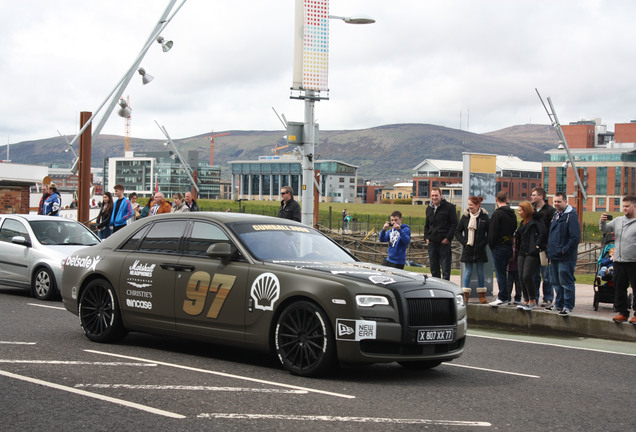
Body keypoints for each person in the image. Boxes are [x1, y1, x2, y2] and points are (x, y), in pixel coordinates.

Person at [600, 195, 636, 324]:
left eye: (627, 206)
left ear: (634, 207)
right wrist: (603, 222)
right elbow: (604, 230)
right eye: (623, 206)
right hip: (619, 261)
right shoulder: (618, 221)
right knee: (619, 287)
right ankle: (622, 312)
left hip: (633, 262)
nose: (624, 209)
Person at [546, 192, 581, 316]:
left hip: (565, 257)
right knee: (555, 282)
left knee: (566, 282)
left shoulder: (570, 216)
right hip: (554, 255)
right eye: (555, 201)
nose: (556, 204)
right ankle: (558, 304)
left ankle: (568, 306)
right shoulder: (556, 215)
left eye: (559, 201)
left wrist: (564, 250)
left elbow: (575, 237)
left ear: (565, 201)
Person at [455, 196, 489, 303]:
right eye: (468, 204)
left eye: (471, 205)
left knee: (480, 272)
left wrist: (483, 243)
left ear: (478, 205)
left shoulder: (484, 217)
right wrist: (465, 242)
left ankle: (482, 295)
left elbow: (489, 233)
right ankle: (465, 295)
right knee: (468, 271)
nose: (469, 207)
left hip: (480, 249)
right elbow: (457, 232)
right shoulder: (465, 217)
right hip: (468, 248)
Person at [513, 201, 547, 311]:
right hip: (522, 251)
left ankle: (532, 300)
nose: (519, 213)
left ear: (526, 210)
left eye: (520, 210)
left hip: (532, 252)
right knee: (521, 277)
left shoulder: (536, 220)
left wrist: (537, 245)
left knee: (527, 276)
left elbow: (542, 233)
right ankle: (526, 300)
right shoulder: (523, 222)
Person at [488, 191, 517, 306]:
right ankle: (506, 296)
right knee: (505, 272)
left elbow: (493, 232)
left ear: (496, 200)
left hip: (498, 246)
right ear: (507, 199)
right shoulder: (512, 214)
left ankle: (503, 297)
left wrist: (491, 244)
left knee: (500, 273)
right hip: (508, 245)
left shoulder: (497, 214)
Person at [424, 187, 458, 280]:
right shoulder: (429, 208)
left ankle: (446, 289)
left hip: (444, 242)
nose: (434, 197)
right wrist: (426, 237)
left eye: (436, 195)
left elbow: (454, 224)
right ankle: (436, 288)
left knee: (445, 268)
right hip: (432, 242)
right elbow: (427, 225)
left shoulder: (450, 207)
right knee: (434, 269)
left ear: (441, 196)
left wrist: (448, 238)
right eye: (432, 195)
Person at [531, 187, 556, 306]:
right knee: (534, 275)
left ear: (541, 197)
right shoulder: (531, 210)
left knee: (546, 275)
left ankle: (548, 298)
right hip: (533, 247)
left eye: (534, 195)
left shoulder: (550, 211)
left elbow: (551, 230)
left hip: (544, 248)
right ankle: (534, 298)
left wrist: (548, 246)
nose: (531, 197)